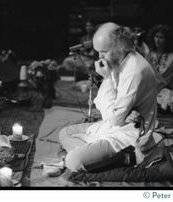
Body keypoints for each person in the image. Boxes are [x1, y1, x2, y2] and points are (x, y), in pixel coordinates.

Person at [57, 22, 164, 173]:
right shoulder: (119, 59)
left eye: (103, 51)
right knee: (64, 132)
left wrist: (107, 78)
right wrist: (117, 110)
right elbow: (98, 103)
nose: (99, 57)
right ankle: (96, 154)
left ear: (119, 47)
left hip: (127, 136)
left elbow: (113, 118)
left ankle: (125, 157)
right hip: (112, 126)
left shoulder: (134, 72)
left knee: (72, 161)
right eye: (98, 51)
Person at [146, 24, 173, 91]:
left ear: (167, 40)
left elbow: (171, 79)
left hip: (166, 92)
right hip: (149, 91)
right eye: (156, 36)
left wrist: (161, 85)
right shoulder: (149, 54)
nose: (157, 40)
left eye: (161, 37)